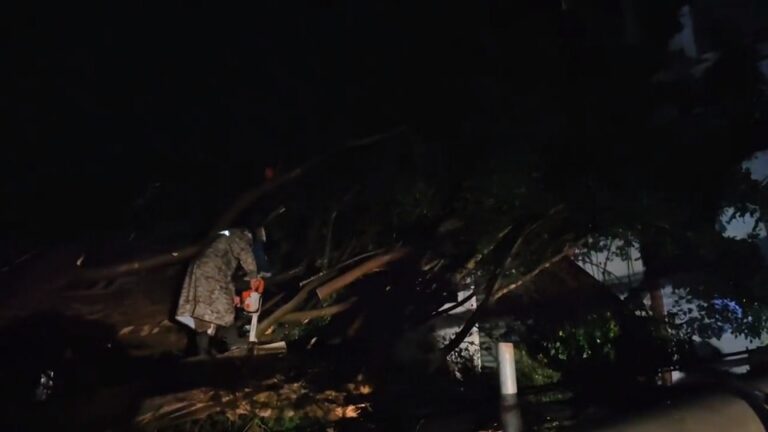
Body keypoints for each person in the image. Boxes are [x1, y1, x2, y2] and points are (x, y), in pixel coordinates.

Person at [175, 227, 260, 357]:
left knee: (202, 313)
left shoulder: (220, 239)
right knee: (225, 310)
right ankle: (234, 342)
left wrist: (233, 295)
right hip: (211, 273)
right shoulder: (237, 236)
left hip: (198, 272)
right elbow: (244, 252)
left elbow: (226, 276)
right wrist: (253, 275)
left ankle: (202, 352)